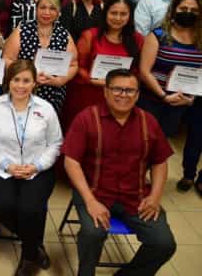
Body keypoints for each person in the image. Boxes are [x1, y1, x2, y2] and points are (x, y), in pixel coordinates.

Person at [63, 68, 176, 276]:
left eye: (129, 91)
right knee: (92, 233)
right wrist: (89, 200)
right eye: (117, 89)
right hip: (95, 192)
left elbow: (160, 162)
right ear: (105, 91)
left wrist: (155, 196)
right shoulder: (87, 118)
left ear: (138, 95)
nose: (123, 95)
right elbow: (71, 161)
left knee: (164, 244)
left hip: (136, 196)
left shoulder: (148, 121)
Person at [0, 59, 62, 276]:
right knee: (1, 206)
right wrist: (7, 165)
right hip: (2, 168)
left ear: (35, 83)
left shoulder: (46, 109)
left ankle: (28, 256)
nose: (21, 85)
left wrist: (37, 166)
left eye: (26, 80)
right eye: (16, 80)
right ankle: (35, 244)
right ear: (8, 81)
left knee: (29, 209)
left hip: (37, 171)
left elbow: (55, 143)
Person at [138, 0, 202, 194]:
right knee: (147, 142)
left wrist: (191, 98)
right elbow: (145, 71)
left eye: (193, 10)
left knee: (181, 139)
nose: (188, 12)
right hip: (156, 98)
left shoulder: (200, 38)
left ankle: (182, 175)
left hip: (188, 100)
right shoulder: (158, 35)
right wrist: (164, 96)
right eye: (184, 9)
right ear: (174, 10)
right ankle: (137, 179)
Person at [64, 0, 143, 129]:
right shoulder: (90, 35)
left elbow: (137, 71)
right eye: (113, 13)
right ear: (105, 13)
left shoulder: (137, 40)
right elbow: (78, 66)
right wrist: (93, 80)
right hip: (87, 96)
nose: (118, 18)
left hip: (119, 98)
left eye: (123, 14)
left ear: (130, 16)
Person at [3, 0, 78, 113]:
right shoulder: (22, 30)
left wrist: (60, 81)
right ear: (36, 9)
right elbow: (7, 59)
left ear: (58, 12)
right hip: (22, 90)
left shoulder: (64, 35)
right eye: (43, 7)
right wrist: (27, 76)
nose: (47, 12)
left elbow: (73, 65)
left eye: (52, 8)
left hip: (53, 94)